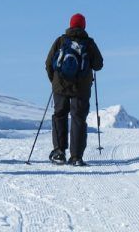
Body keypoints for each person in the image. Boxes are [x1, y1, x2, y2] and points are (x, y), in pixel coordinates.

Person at [45, 13, 103, 167]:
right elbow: (98, 65)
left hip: (60, 86)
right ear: (84, 26)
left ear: (70, 25)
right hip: (81, 89)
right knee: (78, 119)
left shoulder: (61, 41)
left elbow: (48, 62)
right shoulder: (89, 43)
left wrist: (55, 81)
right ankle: (76, 157)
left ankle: (59, 152)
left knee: (59, 116)